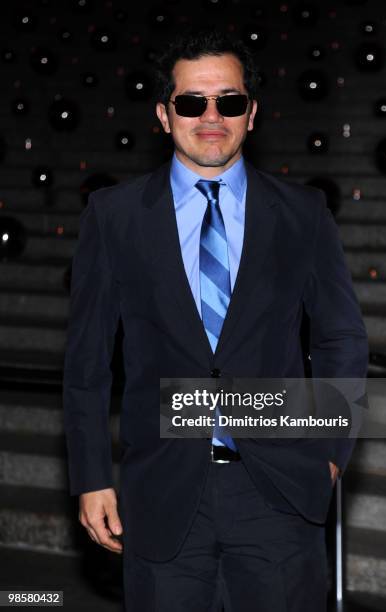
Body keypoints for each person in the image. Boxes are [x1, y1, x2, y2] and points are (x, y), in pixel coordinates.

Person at [63, 28, 369, 612]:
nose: (210, 116)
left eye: (228, 101)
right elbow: (87, 361)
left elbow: (341, 337)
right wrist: (91, 475)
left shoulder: (302, 214)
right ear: (163, 113)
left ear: (250, 114)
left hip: (279, 490)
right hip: (162, 494)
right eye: (190, 102)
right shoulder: (114, 215)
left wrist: (330, 449)